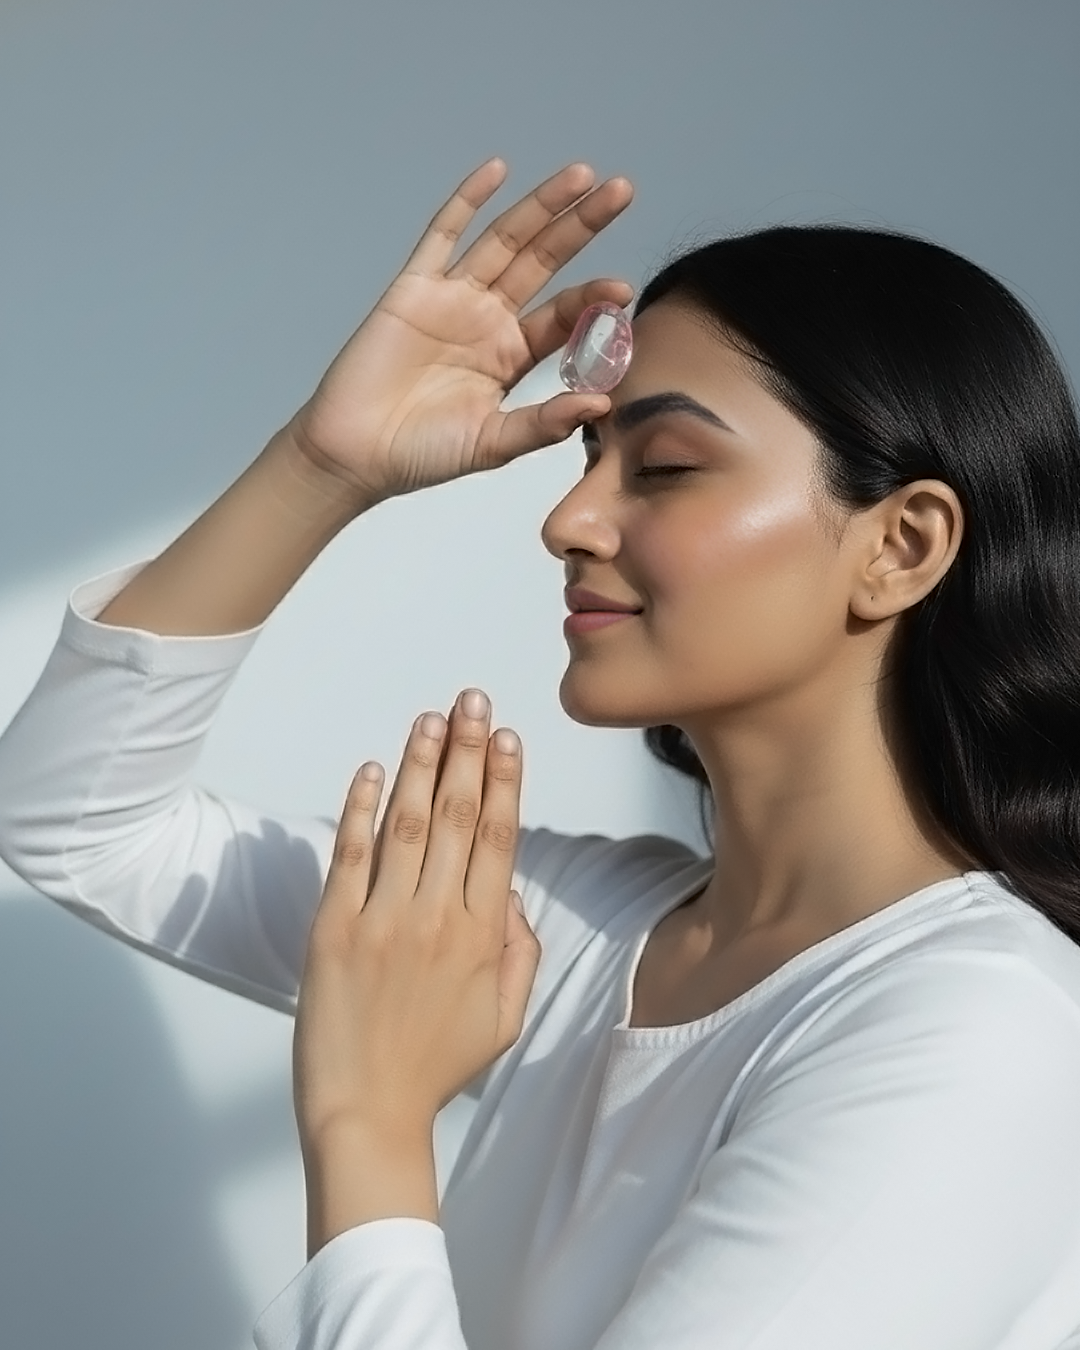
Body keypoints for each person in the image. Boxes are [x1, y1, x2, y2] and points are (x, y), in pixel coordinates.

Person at [1, 157, 1079, 1350]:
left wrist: (367, 1122)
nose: (567, 521)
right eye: (586, 461)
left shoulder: (974, 1032)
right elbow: (74, 817)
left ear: (904, 544)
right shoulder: (575, 929)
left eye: (663, 469)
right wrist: (325, 463)